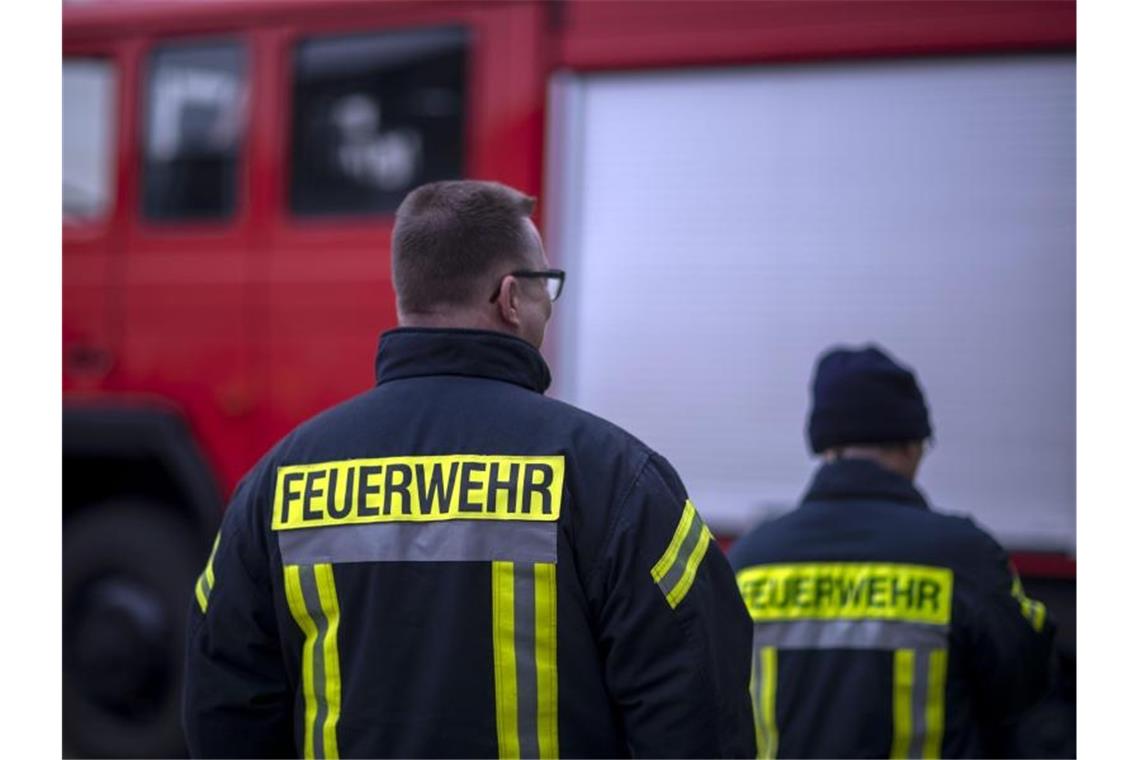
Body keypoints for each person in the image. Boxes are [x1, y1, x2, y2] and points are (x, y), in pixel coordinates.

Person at [184, 180, 756, 758]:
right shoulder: (617, 480)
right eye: (543, 287)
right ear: (510, 297)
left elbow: (224, 706)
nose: (547, 305)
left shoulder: (276, 483)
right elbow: (696, 710)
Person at [728, 345, 1055, 759]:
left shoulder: (750, 559)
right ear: (913, 445)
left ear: (825, 447)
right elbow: (1026, 684)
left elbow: (714, 703)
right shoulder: (962, 556)